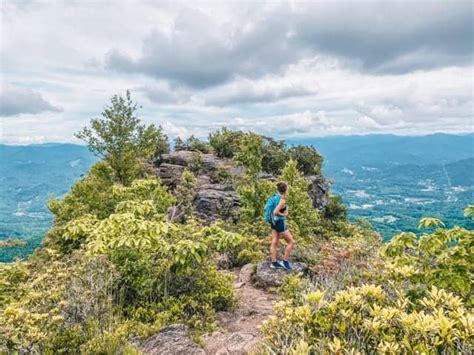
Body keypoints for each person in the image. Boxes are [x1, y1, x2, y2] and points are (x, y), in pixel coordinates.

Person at [269, 182, 295, 271]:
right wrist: (284, 214)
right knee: (291, 242)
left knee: (275, 241)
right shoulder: (282, 200)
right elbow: (275, 211)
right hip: (280, 222)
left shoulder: (275, 197)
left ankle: (274, 263)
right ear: (286, 190)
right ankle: (285, 261)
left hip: (273, 221)